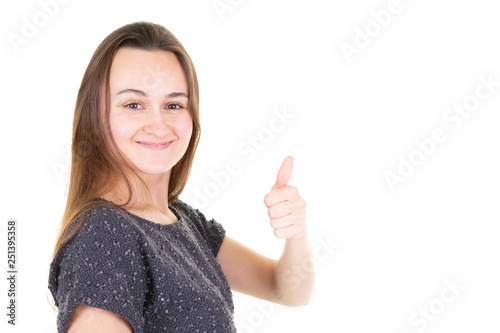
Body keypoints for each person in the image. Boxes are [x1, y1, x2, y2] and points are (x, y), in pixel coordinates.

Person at [48, 21, 315, 332]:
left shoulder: (182, 221)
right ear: (97, 117)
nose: (159, 125)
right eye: (134, 104)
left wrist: (296, 232)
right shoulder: (105, 235)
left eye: (173, 104)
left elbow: (286, 290)